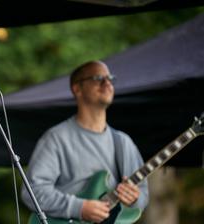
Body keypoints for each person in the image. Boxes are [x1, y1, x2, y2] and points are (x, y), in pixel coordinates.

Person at [21, 60, 148, 223]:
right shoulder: (56, 138)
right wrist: (78, 208)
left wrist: (135, 198)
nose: (107, 83)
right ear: (77, 89)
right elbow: (32, 191)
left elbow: (143, 195)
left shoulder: (124, 142)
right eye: (98, 78)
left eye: (110, 78)